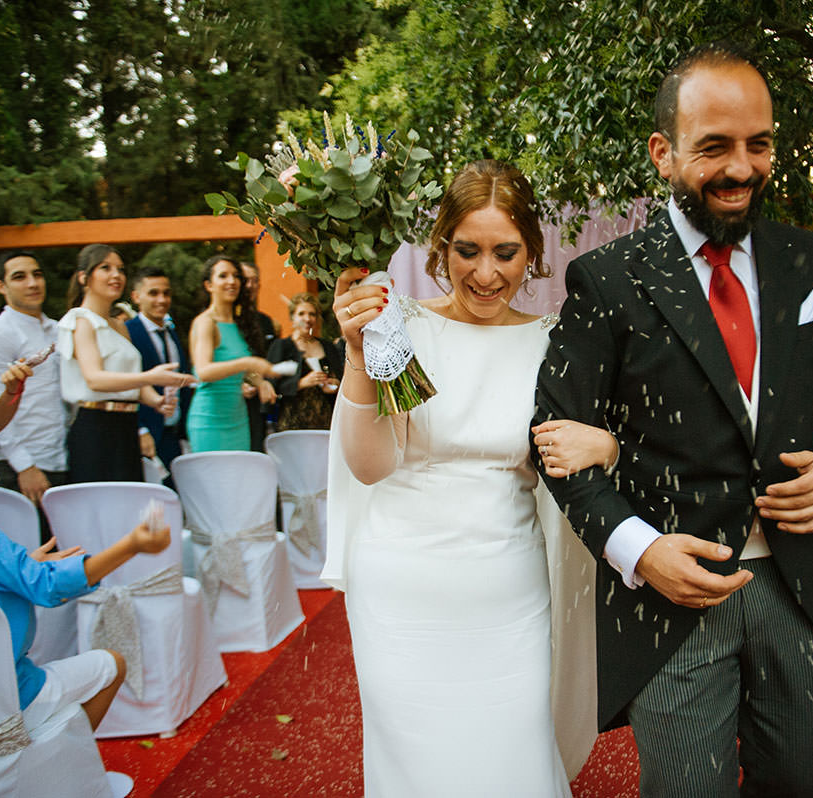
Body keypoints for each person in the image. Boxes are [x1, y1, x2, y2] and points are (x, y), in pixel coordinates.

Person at [533, 42, 813, 797]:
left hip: (799, 588)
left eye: (758, 144)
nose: (741, 168)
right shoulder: (607, 279)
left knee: (801, 777)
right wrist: (639, 551)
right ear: (663, 153)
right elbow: (556, 442)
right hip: (671, 599)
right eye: (714, 146)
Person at [327, 159, 612, 796]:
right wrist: (355, 357)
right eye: (468, 251)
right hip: (400, 587)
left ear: (533, 251)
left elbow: (575, 456)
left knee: (513, 755)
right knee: (417, 766)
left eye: (505, 252)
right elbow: (371, 466)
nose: (486, 274)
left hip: (507, 588)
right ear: (440, 248)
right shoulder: (402, 328)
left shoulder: (552, 344)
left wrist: (608, 444)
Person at [0, 415, 171, 733]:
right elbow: (48, 586)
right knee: (112, 664)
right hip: (4, 691)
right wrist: (131, 545)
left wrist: (23, 563)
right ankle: (65, 757)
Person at [58, 244, 192, 483]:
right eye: (105, 268)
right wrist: (150, 377)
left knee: (129, 501)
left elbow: (131, 378)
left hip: (126, 424)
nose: (116, 275)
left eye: (120, 269)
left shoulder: (120, 325)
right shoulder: (80, 320)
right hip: (94, 425)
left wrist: (157, 400)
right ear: (83, 277)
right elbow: (94, 378)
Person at [0, 250, 68, 517]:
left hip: (60, 457)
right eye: (19, 277)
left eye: (37, 274)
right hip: (20, 468)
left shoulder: (58, 329)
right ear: (1, 286)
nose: (33, 283)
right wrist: (24, 466)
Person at [186, 255, 278, 452]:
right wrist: (248, 362)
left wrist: (260, 382)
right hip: (210, 421)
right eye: (223, 276)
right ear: (208, 285)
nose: (231, 281)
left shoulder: (238, 323)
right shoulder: (205, 322)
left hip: (238, 420)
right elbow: (203, 371)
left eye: (236, 276)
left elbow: (238, 370)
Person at [126, 266, 193, 474]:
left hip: (175, 432)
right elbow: (127, 384)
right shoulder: (128, 332)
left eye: (166, 293)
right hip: (145, 433)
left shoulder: (171, 332)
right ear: (136, 296)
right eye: (153, 293)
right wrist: (141, 430)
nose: (162, 300)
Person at [266, 292, 342, 431]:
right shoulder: (282, 347)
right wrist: (301, 383)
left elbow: (343, 379)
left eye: (312, 314)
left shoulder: (328, 347)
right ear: (292, 317)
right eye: (301, 314)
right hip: (291, 422)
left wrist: (335, 384)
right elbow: (271, 386)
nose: (307, 319)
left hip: (326, 421)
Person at [240, 260, 279, 450]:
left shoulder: (265, 321)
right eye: (245, 280)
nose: (250, 286)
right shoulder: (224, 320)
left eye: (254, 281)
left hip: (259, 407)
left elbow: (271, 361)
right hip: (230, 405)